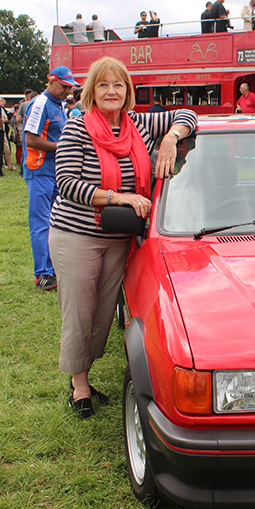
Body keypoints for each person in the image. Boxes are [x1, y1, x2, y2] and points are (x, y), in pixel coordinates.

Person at [48, 56, 197, 418]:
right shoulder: (77, 128)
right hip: (77, 233)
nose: (111, 91)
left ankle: (85, 373)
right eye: (103, 85)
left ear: (128, 91)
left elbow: (189, 116)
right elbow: (66, 183)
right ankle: (79, 385)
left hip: (119, 235)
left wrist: (169, 140)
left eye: (118, 85)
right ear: (91, 92)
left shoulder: (140, 123)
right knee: (80, 310)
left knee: (102, 311)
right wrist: (120, 196)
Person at [24, 66, 80, 292]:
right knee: (41, 223)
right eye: (64, 86)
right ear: (51, 81)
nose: (68, 91)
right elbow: (30, 140)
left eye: (70, 87)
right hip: (39, 171)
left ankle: (54, 268)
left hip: (56, 172)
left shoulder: (59, 105)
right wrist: (63, 147)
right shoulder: (39, 103)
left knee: (58, 222)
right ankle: (43, 275)